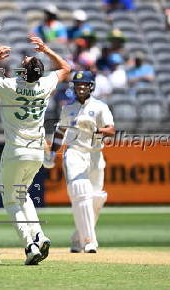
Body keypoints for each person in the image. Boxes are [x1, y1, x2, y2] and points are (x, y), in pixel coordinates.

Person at [0, 34, 71, 265]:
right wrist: (46, 50)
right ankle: (39, 235)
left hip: (15, 151)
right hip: (36, 152)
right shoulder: (45, 84)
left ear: (22, 73)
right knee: (23, 195)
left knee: (11, 200)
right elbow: (66, 68)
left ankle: (30, 245)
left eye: (23, 62)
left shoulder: (9, 86)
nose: (21, 60)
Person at [44, 71, 115, 253]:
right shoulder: (68, 109)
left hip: (95, 155)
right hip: (74, 151)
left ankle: (78, 237)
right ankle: (89, 241)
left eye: (84, 84)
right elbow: (60, 133)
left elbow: (112, 131)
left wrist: (95, 129)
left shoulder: (100, 107)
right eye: (77, 84)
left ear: (91, 86)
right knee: (80, 191)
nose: (81, 87)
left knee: (96, 198)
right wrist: (52, 154)